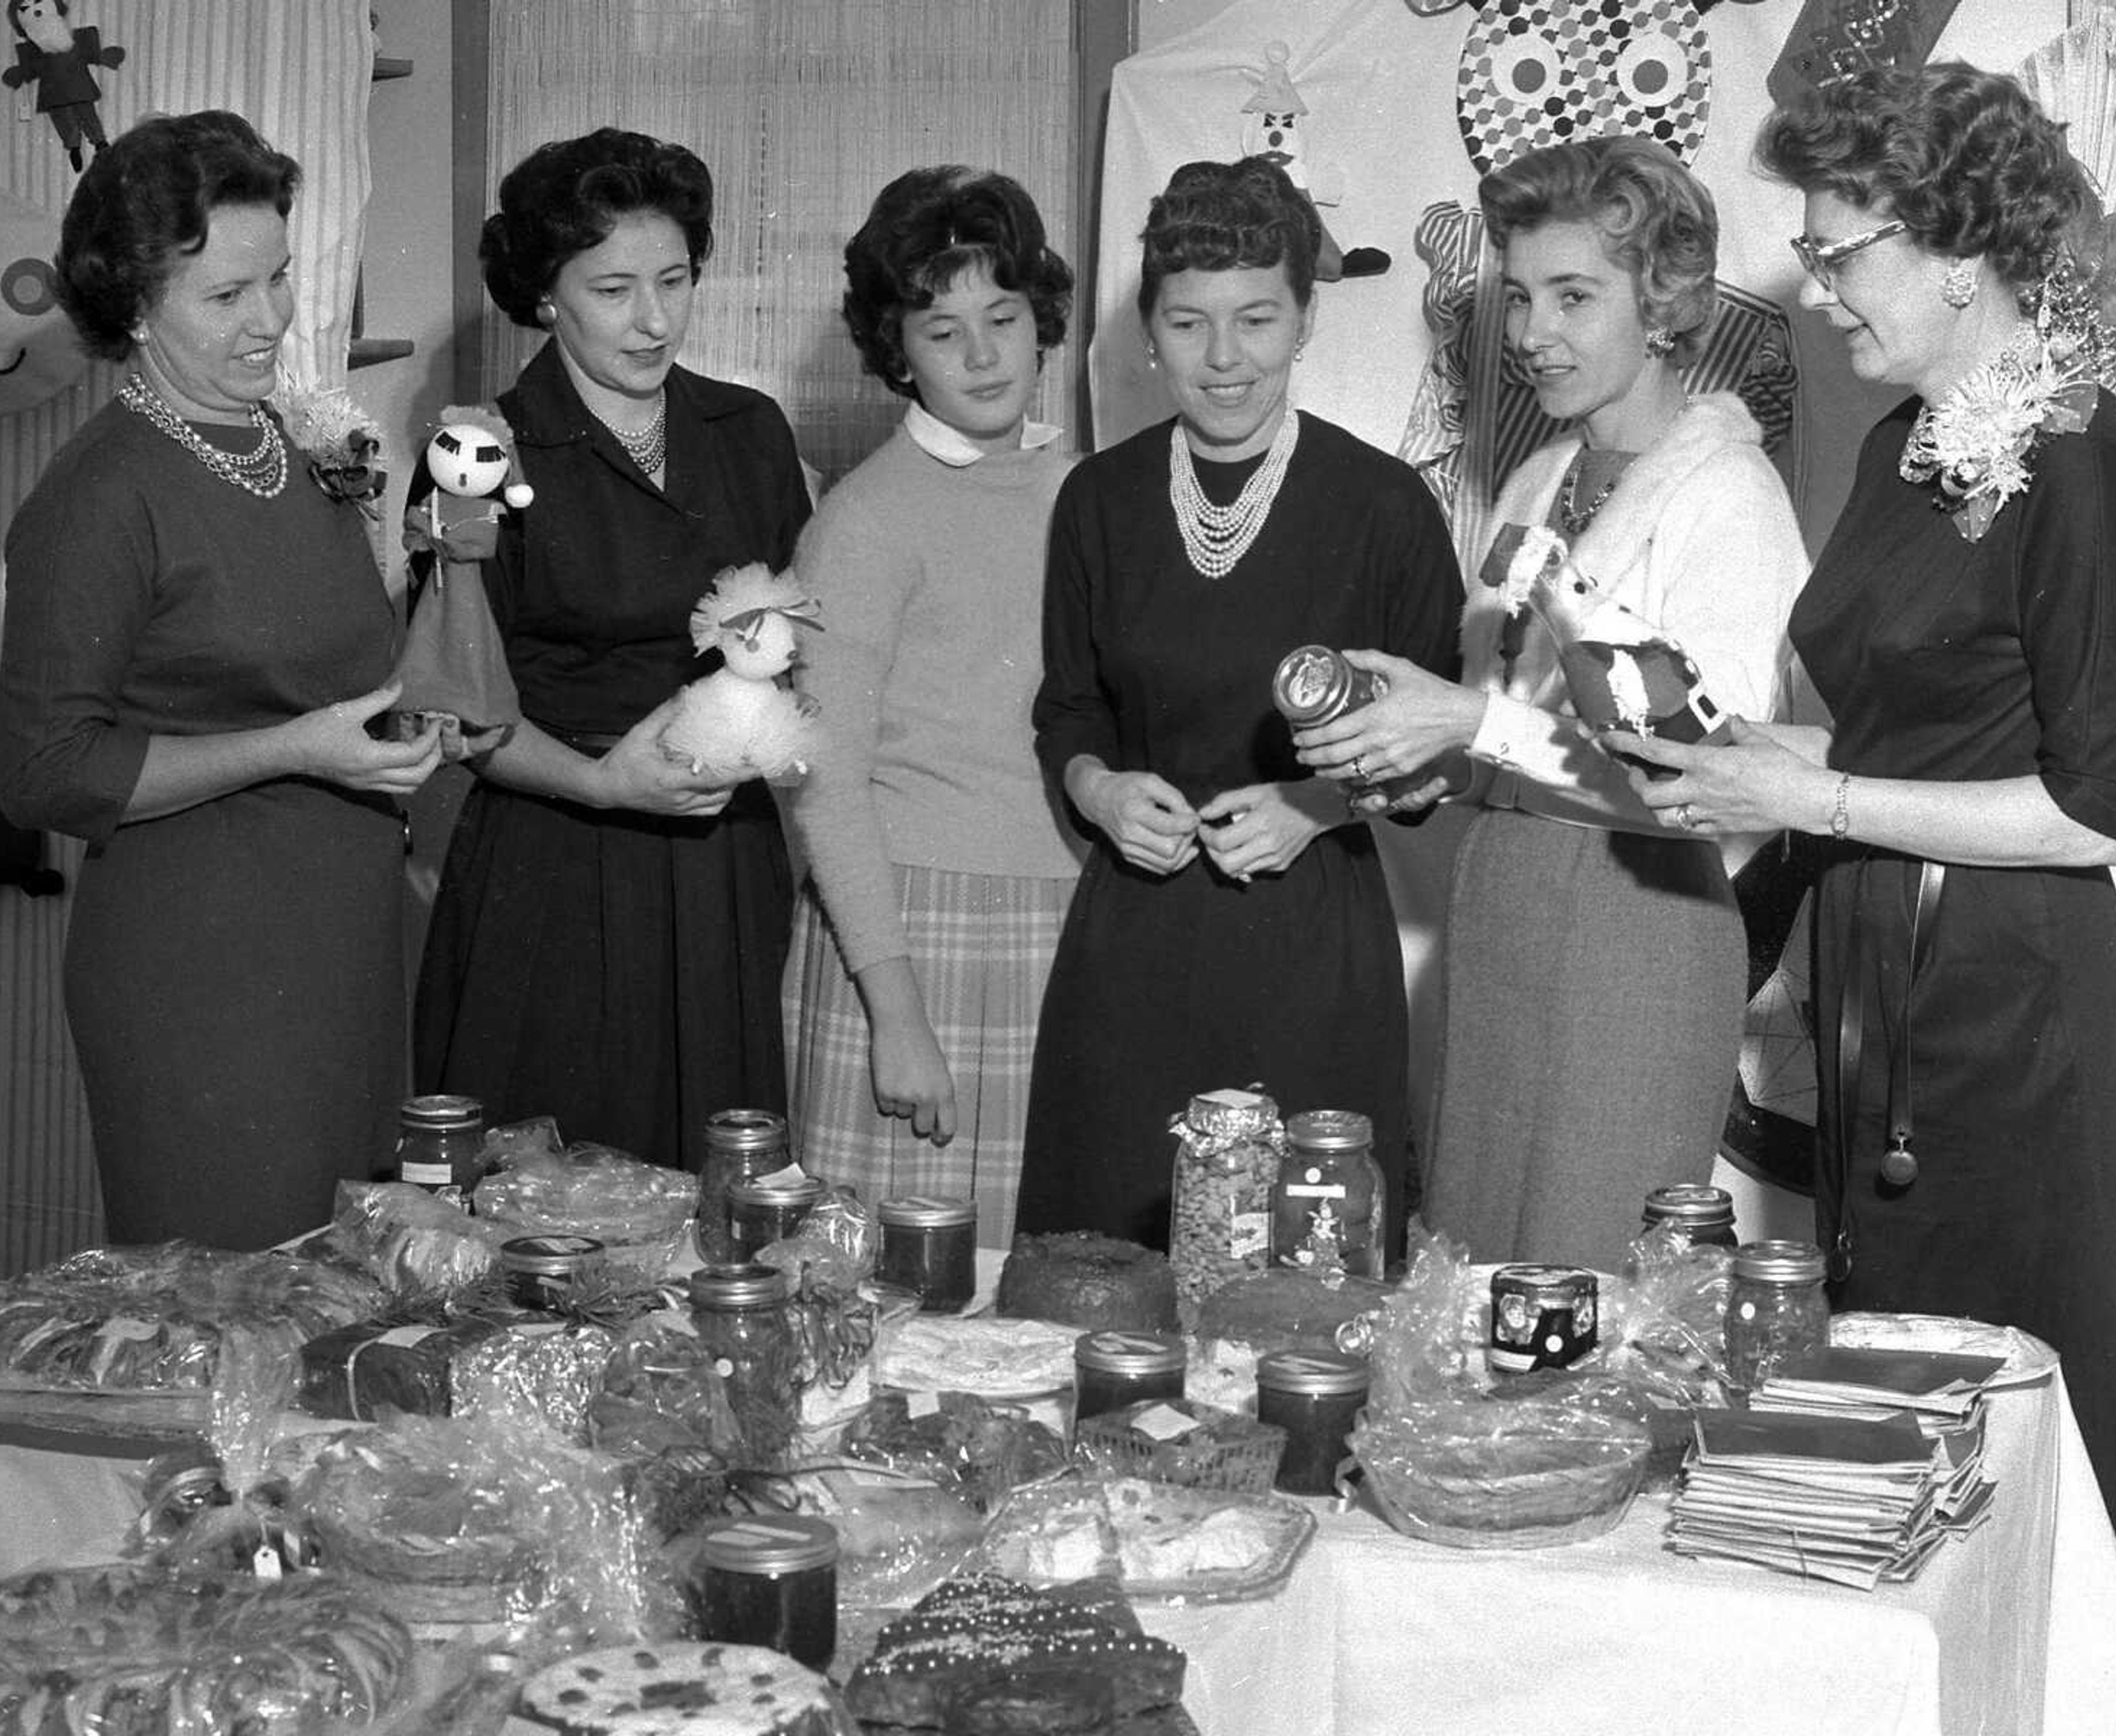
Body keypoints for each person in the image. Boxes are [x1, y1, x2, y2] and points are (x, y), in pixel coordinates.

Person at [1604, 63, 2116, 1597]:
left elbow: (2096, 808)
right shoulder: (1897, 450)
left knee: (2008, 1462)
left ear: (1960, 253)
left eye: (1842, 251)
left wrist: (1816, 798)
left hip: (2014, 1027)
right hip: (1883, 1004)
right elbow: (1882, 731)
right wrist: (1727, 759)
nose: (1819, 286)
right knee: (1894, 1478)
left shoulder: (2080, 458)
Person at [1290, 136, 1806, 1272]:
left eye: (1574, 296)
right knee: (1471, 1285)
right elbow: (1507, 747)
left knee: (1589, 1294)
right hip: (1508, 908)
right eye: (1520, 296)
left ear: (1666, 302)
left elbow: (1706, 789)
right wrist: (1411, 751)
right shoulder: (1537, 479)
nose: (1531, 333)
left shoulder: (1731, 496)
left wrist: (1470, 726)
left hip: (1644, 928)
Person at [0, 110, 443, 1248]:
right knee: (234, 1320)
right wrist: (292, 747)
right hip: (203, 974)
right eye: (227, 296)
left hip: (344, 948)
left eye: (280, 278)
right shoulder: (100, 496)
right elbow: (44, 776)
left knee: (342, 1324)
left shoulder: (293, 448)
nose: (272, 322)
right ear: (135, 307)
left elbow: (336, 672)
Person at [1017, 156, 1464, 1250]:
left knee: (1305, 1292)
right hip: (1135, 938)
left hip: (1311, 948)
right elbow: (1067, 709)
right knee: (1106, 1279)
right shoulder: (1099, 500)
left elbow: (1443, 760)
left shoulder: (1384, 507)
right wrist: (1101, 787)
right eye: (1188, 323)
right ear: (1150, 332)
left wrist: (1316, 807)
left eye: (1257, 319)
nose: (1224, 360)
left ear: (1306, 320)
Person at [414, 128, 812, 1169]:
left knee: (722, 1205)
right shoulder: (478, 453)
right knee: (551, 1220)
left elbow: (794, 646)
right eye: (613, 289)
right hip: (557, 861)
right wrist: (602, 784)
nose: (654, 320)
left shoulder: (750, 432)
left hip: (725, 864)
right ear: (546, 294)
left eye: (675, 280)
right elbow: (455, 710)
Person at [780, 167, 1084, 1243]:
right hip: (911, 935)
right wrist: (894, 1012)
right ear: (895, 350)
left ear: (1043, 320)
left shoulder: (1091, 488)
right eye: (943, 330)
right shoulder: (864, 521)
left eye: (1003, 318)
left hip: (1070, 917)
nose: (984, 355)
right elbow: (823, 783)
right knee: (905, 1296)